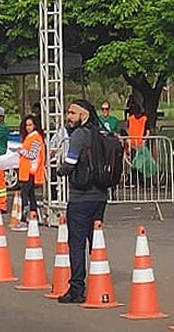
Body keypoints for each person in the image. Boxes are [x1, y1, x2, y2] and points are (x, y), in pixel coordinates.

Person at [56, 99, 108, 304]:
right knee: (95, 242)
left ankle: (77, 288)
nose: (69, 117)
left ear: (83, 115)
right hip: (101, 196)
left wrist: (60, 169)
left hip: (81, 197)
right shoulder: (102, 133)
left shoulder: (79, 135)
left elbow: (70, 163)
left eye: (72, 113)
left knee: (76, 243)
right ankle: (100, 282)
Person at [15, 114, 45, 230]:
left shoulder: (35, 138)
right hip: (27, 171)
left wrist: (21, 151)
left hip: (30, 172)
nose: (28, 127)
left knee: (25, 195)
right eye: (26, 125)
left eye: (30, 125)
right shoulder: (31, 137)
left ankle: (24, 220)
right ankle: (33, 216)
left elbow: (33, 155)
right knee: (31, 195)